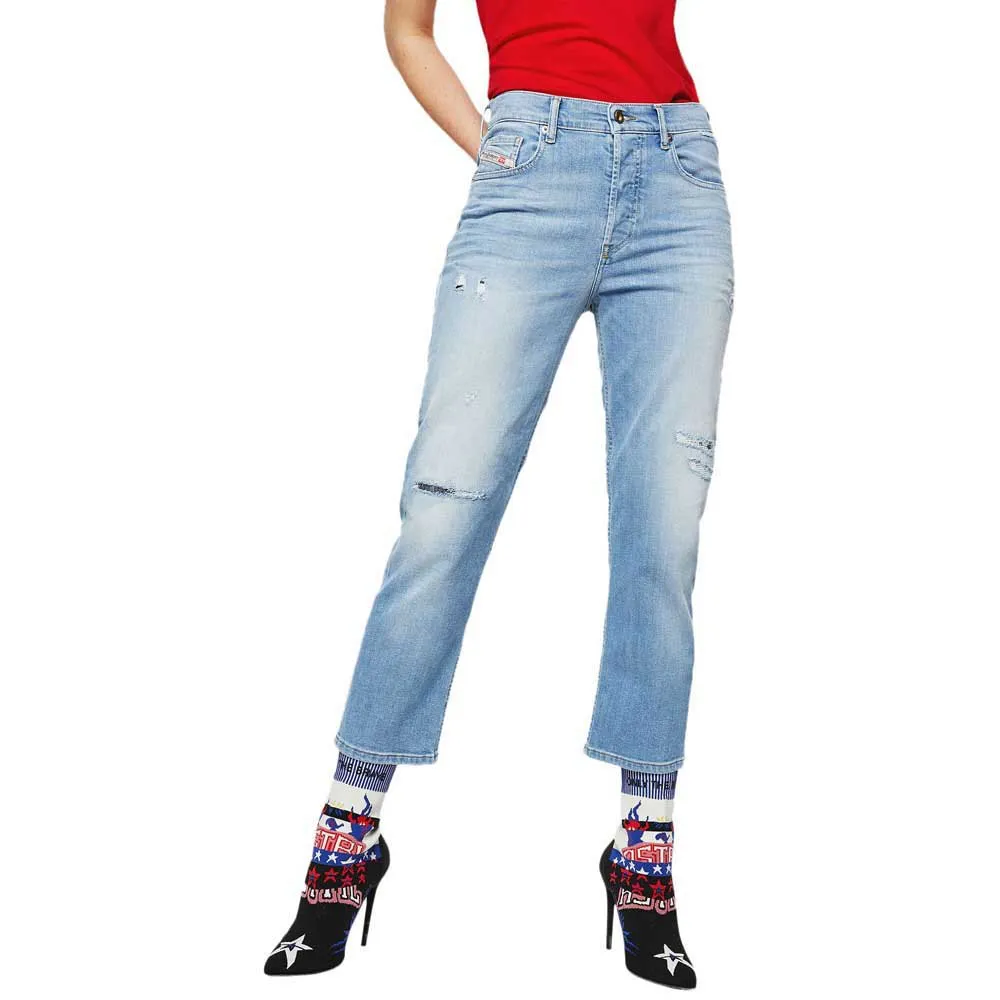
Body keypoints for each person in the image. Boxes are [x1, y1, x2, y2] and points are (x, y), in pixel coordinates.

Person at [264, 0, 733, 988]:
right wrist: (498, 150)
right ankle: (346, 839)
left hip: (677, 174)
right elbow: (407, 30)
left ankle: (643, 855)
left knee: (664, 529)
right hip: (531, 168)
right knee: (444, 509)